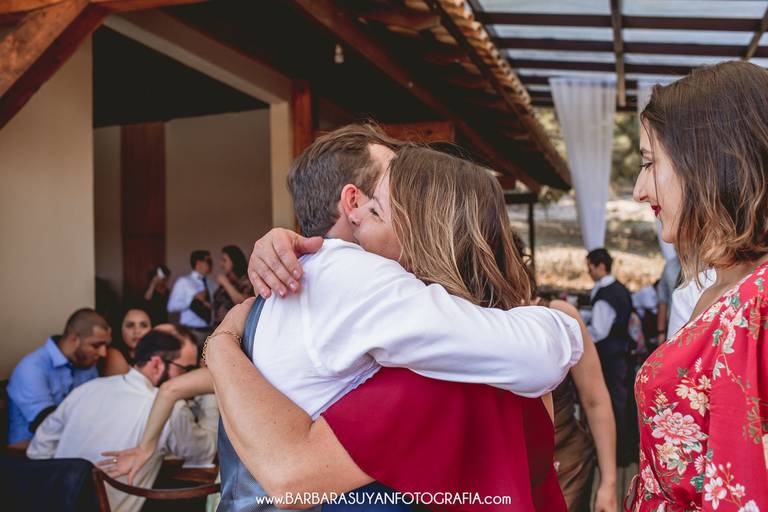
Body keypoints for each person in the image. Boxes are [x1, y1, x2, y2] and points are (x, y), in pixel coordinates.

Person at [102, 129, 583, 510]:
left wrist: (222, 341)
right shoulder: (375, 297)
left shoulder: (430, 363)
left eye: (382, 203)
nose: (368, 210)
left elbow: (292, 476)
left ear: (425, 225)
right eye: (375, 198)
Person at [629, 60, 768, 511]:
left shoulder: (760, 301)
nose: (638, 190)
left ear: (708, 161)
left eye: (649, 163)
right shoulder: (720, 286)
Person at [29, 328, 215, 512]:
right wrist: (209, 396)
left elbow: (38, 450)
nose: (188, 377)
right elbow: (203, 453)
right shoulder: (171, 408)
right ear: (156, 364)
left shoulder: (86, 389)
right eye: (186, 369)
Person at [7, 308, 111, 444]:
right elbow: (47, 425)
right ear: (74, 340)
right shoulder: (31, 367)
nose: (103, 353)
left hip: (74, 442)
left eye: (105, 345)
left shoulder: (87, 365)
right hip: (29, 449)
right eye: (96, 345)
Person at [585, 247, 635, 467]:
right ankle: (626, 450)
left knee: (613, 404)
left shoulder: (605, 296)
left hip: (610, 357)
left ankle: (618, 453)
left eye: (590, 267)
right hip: (622, 352)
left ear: (600, 266)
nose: (588, 272)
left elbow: (599, 331)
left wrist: (580, 332)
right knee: (623, 402)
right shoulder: (619, 289)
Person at [167, 250, 213, 346]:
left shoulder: (212, 283)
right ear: (199, 263)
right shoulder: (183, 282)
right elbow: (171, 307)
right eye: (208, 261)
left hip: (210, 332)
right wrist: (192, 300)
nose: (211, 264)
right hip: (191, 332)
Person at [101, 308, 151, 376]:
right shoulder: (113, 355)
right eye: (130, 325)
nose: (137, 331)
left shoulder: (156, 356)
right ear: (119, 329)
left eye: (143, 325)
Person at [212, 245, 254, 327]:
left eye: (224, 260)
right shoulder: (228, 278)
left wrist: (226, 284)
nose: (221, 264)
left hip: (234, 328)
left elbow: (243, 303)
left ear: (234, 260)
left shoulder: (246, 280)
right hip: (218, 326)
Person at [655, 255, 682, 345]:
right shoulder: (670, 266)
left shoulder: (705, 266)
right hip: (672, 326)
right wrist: (661, 332)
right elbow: (663, 300)